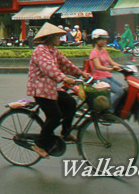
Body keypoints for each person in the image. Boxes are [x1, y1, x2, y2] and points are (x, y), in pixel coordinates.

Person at [26, 23, 90, 159]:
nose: (60, 39)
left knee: (71, 103)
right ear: (50, 37)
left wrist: (80, 73)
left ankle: (65, 133)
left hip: (52, 87)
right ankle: (40, 144)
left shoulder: (53, 50)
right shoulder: (40, 50)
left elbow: (65, 63)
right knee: (55, 116)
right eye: (57, 37)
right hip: (40, 89)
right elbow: (48, 68)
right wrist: (63, 78)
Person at [88, 29, 125, 110]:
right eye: (103, 39)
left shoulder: (104, 50)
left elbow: (111, 62)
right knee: (119, 91)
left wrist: (123, 67)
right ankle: (107, 109)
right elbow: (98, 66)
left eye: (105, 39)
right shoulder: (94, 52)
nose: (105, 41)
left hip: (107, 76)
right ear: (96, 40)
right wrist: (111, 69)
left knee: (124, 88)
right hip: (99, 78)